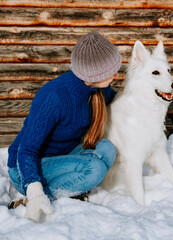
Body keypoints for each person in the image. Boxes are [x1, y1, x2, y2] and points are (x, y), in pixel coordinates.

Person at [7, 31, 121, 222]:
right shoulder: (54, 97)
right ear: (94, 75)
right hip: (25, 168)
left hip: (62, 156)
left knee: (107, 149)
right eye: (111, 72)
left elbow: (119, 100)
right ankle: (37, 199)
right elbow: (26, 150)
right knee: (94, 169)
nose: (116, 75)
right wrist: (34, 190)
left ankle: (68, 187)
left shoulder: (98, 88)